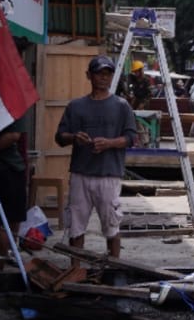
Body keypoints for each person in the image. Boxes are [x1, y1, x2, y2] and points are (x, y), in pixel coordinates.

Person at [55, 54, 139, 260]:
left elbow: (131, 137)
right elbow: (60, 137)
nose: (103, 78)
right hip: (80, 174)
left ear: (111, 78)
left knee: (111, 226)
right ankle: (76, 271)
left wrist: (109, 143)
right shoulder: (76, 106)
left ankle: (115, 267)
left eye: (107, 74)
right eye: (99, 73)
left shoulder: (121, 106)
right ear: (89, 76)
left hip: (108, 174)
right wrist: (75, 137)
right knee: (75, 227)